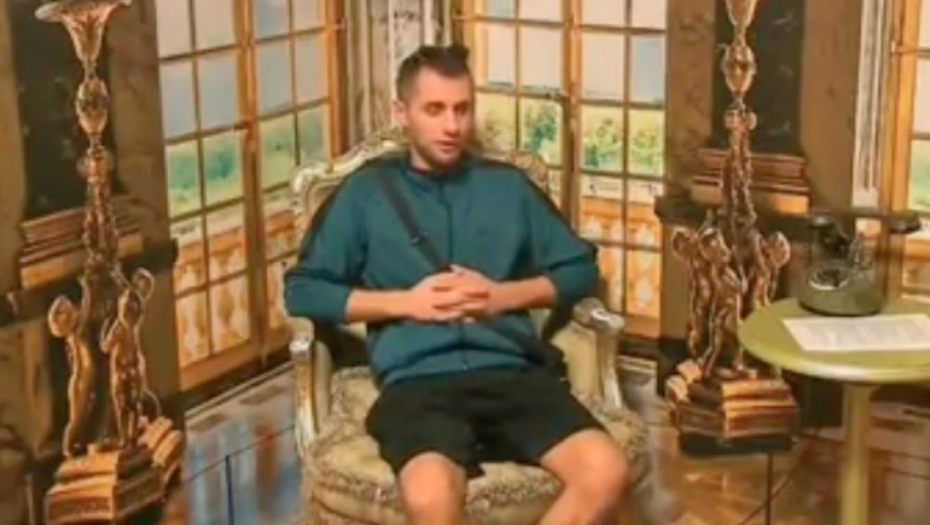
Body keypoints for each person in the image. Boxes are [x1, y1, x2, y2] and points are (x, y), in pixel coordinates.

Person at [284, 44, 630, 525]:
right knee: (431, 496)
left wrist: (502, 296)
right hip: (418, 384)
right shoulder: (366, 193)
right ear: (402, 113)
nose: (452, 126)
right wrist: (406, 303)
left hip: (512, 375)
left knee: (606, 470)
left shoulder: (508, 187)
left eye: (462, 109)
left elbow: (580, 269)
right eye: (435, 110)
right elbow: (303, 290)